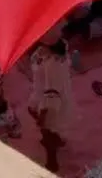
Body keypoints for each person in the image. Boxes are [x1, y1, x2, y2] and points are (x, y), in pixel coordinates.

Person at [26, 39, 74, 170]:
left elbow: (51, 94)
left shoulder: (52, 67)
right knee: (48, 128)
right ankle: (54, 138)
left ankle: (52, 161)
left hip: (49, 104)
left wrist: (43, 115)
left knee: (48, 130)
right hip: (43, 96)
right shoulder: (56, 54)